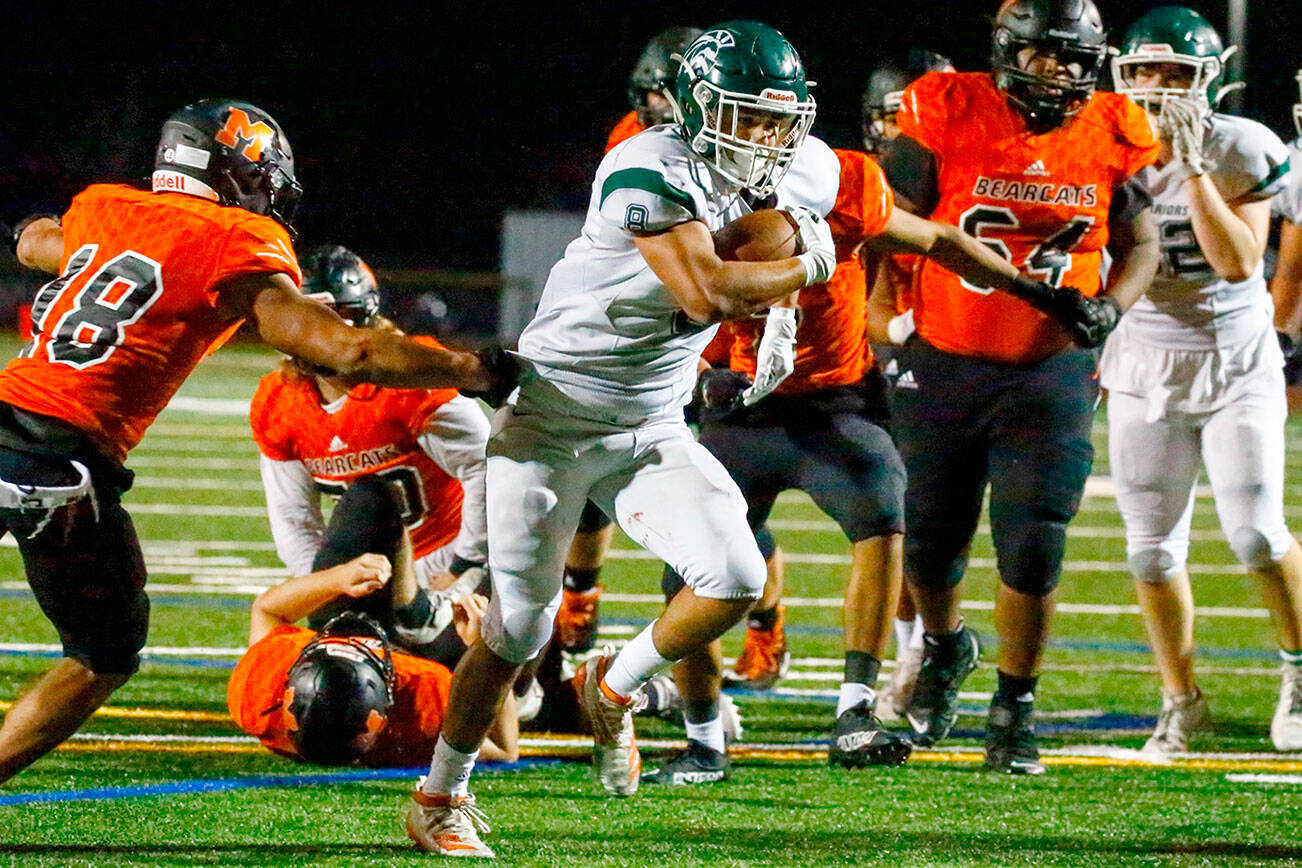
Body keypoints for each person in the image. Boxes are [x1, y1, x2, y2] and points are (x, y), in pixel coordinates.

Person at [0, 99, 508, 785]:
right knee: (104, 655)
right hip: (61, 460)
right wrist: (471, 368)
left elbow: (39, 243)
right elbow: (349, 352)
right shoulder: (234, 239)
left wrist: (25, 226)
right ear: (239, 171)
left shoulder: (105, 207)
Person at [879, 0, 1160, 774]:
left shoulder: (1113, 125)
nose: (1064, 74)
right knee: (931, 536)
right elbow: (890, 222)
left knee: (1033, 541)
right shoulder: (945, 106)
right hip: (945, 355)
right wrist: (880, 318)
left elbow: (1143, 243)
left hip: (1052, 367)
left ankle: (1015, 706)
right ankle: (942, 646)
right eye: (1047, 57)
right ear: (1009, 51)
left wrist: (1113, 304)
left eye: (1076, 59)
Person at [1107, 7, 1302, 754]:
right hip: (1143, 358)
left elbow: (1237, 263)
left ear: (1208, 80)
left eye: (1177, 73)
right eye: (1146, 71)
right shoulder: (1101, 144)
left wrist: (1192, 173)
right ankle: (1180, 700)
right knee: (1150, 551)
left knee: (1256, 534)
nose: (1160, 87)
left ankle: (1298, 669)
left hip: (1234, 356)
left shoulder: (1241, 146)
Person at [250, 244, 490, 659]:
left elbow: (490, 470)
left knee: (488, 679)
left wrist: (465, 565)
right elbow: (295, 523)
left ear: (364, 317)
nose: (317, 335)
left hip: (447, 558)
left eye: (333, 318)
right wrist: (327, 585)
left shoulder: (410, 381)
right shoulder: (278, 402)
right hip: (368, 570)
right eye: (306, 318)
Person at [555, 25, 711, 657]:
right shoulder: (635, 145)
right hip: (649, 326)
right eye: (657, 95)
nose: (666, 111)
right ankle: (578, 598)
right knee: (591, 486)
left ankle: (761, 625)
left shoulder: (748, 144)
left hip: (709, 331)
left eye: (678, 95)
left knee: (722, 497)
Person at [228, 553, 519, 767]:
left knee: (371, 496)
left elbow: (267, 610)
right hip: (446, 664)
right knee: (518, 592)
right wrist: (484, 651)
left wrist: (341, 576)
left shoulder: (259, 693)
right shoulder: (420, 709)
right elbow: (505, 749)